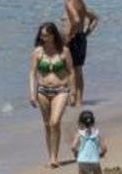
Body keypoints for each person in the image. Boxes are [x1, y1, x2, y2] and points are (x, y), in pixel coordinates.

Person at [29, 22, 76, 169]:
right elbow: (32, 73)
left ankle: (55, 157)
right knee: (47, 125)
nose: (43, 38)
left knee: (54, 122)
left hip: (61, 90)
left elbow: (71, 71)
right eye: (41, 35)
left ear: (53, 35)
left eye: (46, 35)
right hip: (42, 91)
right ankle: (51, 157)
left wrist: (73, 92)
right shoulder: (37, 52)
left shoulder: (64, 51)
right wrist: (32, 93)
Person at [62, 0, 99, 107]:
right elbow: (95, 18)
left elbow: (76, 20)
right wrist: (86, 33)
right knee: (78, 70)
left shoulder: (69, 3)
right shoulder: (82, 3)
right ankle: (79, 100)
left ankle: (71, 99)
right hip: (81, 38)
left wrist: (69, 35)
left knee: (70, 69)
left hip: (73, 39)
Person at [71, 109, 107, 174]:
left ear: (80, 123)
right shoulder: (97, 133)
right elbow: (104, 147)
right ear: (93, 122)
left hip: (82, 160)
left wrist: (76, 153)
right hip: (94, 160)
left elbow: (73, 147)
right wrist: (102, 154)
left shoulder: (79, 133)